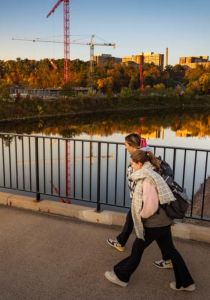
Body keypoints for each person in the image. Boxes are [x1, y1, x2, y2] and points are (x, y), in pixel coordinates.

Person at [105, 149, 195, 291]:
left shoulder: (147, 179)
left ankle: (121, 276)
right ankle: (186, 283)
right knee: (171, 251)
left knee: (137, 250)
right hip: (164, 220)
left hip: (154, 223)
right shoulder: (155, 171)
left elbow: (151, 206)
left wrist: (139, 216)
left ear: (140, 164)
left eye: (132, 164)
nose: (131, 166)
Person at [107, 133, 173, 269]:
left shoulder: (137, 164)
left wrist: (140, 211)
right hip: (156, 205)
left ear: (132, 146)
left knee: (141, 241)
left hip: (143, 203)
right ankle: (169, 259)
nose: (124, 147)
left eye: (126, 145)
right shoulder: (147, 157)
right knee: (163, 234)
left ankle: (123, 271)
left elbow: (138, 186)